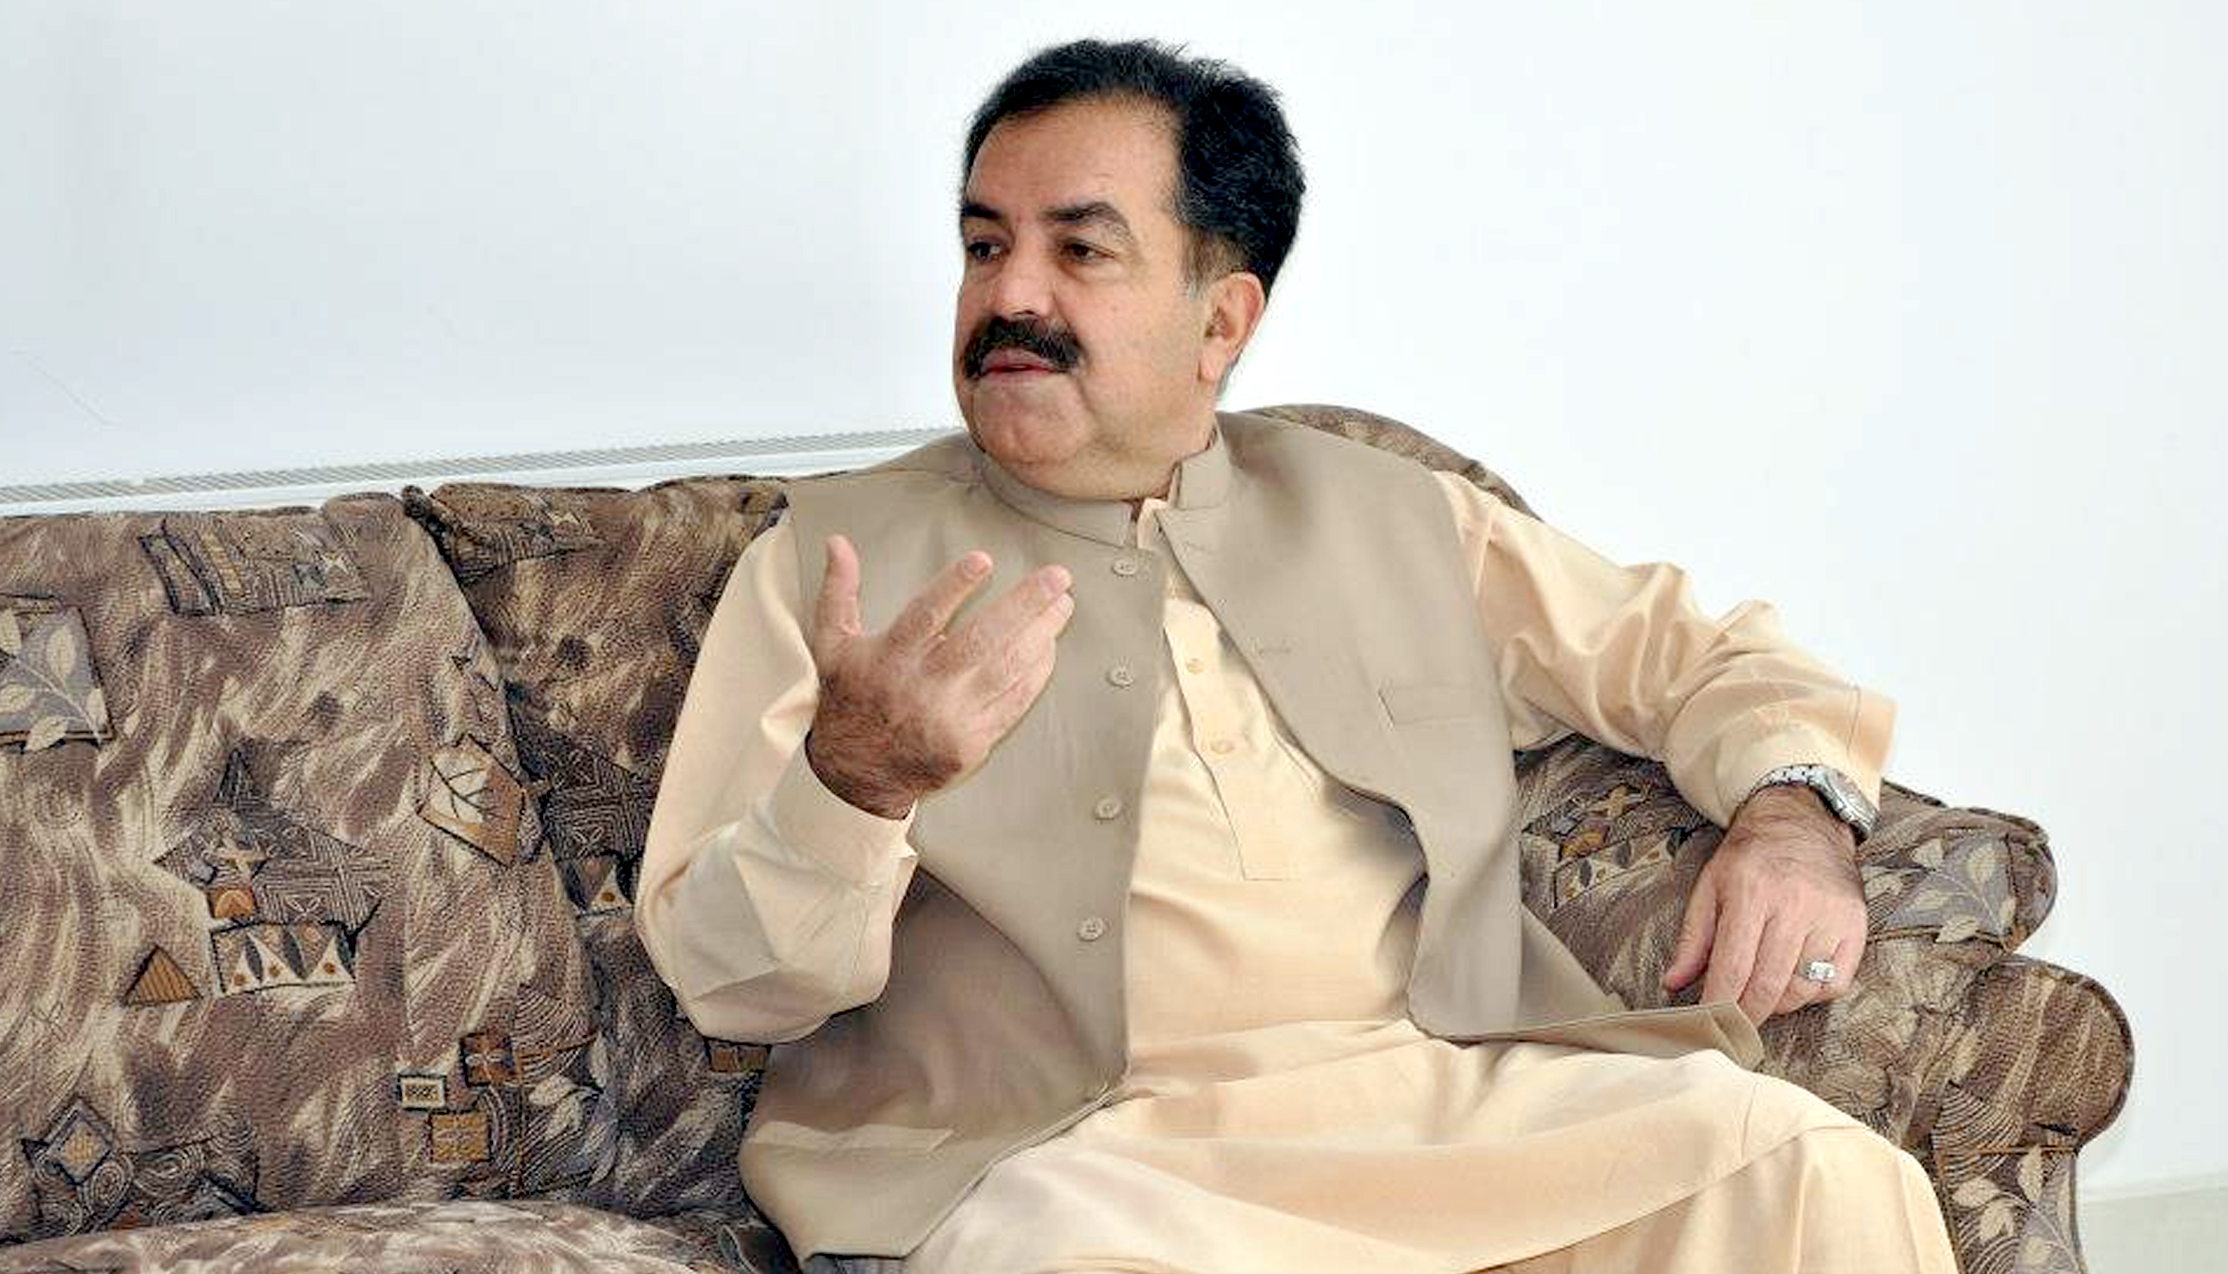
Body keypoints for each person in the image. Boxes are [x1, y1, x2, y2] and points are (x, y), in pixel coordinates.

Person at [638, 38, 1957, 1274]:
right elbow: (729, 983)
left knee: (1815, 1174)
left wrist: (1795, 821)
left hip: (1442, 1097)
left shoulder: (1396, 514)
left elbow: (1698, 656)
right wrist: (853, 786)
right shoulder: (831, 565)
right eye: (985, 245)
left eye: (1078, 249)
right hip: (1074, 1158)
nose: (1010, 295)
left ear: (1222, 321)